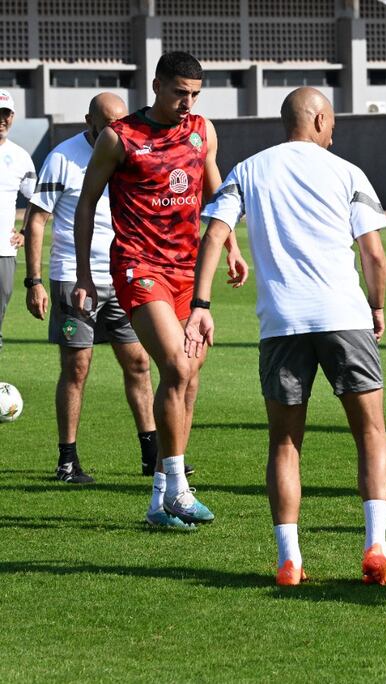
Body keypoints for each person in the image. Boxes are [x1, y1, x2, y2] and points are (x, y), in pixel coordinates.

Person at [189, 87, 386, 586]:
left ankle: (289, 559)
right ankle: (375, 545)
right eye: (333, 120)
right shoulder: (347, 172)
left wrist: (201, 304)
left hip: (281, 322)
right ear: (319, 120)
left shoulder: (249, 169)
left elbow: (214, 233)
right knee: (369, 434)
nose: (334, 129)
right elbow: (374, 255)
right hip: (344, 316)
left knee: (284, 441)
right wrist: (378, 304)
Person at [72, 52, 247, 530]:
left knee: (188, 377)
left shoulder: (202, 131)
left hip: (189, 270)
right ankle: (179, 488)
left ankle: (160, 500)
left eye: (194, 94)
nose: (187, 102)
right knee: (174, 363)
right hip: (138, 266)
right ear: (156, 85)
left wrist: (231, 246)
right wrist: (85, 275)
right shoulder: (119, 137)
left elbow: (220, 195)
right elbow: (87, 204)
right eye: (179, 92)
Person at [21, 93, 171, 484]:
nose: (116, 131)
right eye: (108, 125)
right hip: (74, 276)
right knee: (77, 367)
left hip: (124, 274)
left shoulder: (133, 149)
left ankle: (151, 456)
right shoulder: (63, 157)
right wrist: (34, 280)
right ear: (89, 121)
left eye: (121, 123)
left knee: (139, 363)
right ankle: (67, 461)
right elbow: (37, 220)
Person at [0, 89, 36, 354]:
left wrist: (24, 231)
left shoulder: (21, 156)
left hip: (3, 250)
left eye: (6, 114)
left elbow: (36, 199)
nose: (2, 120)